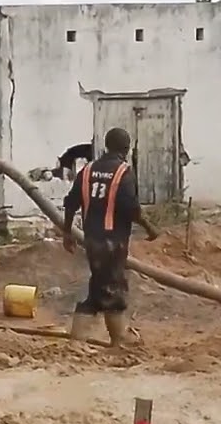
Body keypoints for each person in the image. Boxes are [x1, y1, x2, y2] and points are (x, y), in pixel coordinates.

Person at [61, 127, 159, 346]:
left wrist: (67, 233)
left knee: (100, 287)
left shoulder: (87, 171)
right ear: (126, 148)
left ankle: (81, 340)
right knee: (113, 288)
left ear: (107, 145)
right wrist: (150, 228)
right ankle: (117, 340)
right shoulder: (124, 172)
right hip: (113, 242)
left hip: (92, 240)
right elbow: (131, 208)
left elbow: (70, 203)